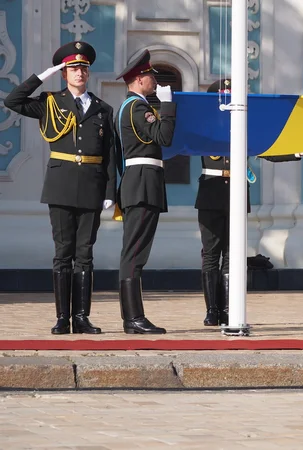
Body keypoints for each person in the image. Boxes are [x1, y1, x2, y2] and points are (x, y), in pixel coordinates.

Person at [4, 41, 116, 335]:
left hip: (92, 187)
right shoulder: (50, 101)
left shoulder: (104, 109)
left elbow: (110, 155)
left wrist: (109, 192)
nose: (79, 72)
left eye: (83, 68)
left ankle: (82, 317)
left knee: (85, 254)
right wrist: (41, 76)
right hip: (61, 185)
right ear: (64, 73)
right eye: (73, 68)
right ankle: (62, 318)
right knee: (62, 253)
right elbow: (12, 101)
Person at [196, 79, 302, 327]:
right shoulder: (204, 125)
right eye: (225, 98)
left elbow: (267, 148)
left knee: (233, 256)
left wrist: (298, 150)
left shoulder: (243, 127)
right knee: (211, 255)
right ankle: (212, 311)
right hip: (211, 194)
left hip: (236, 193)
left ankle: (228, 309)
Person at [114, 50, 176, 334]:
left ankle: (133, 317)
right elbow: (163, 137)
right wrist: (167, 107)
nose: (154, 81)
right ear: (139, 79)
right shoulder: (137, 108)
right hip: (142, 184)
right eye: (151, 76)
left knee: (135, 252)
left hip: (138, 182)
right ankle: (133, 318)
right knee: (135, 253)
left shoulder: (128, 106)